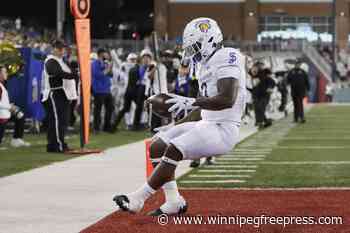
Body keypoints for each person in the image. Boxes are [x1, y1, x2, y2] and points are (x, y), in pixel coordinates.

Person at [113, 17, 246, 216]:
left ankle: (138, 199)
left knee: (175, 149)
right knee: (158, 144)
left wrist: (192, 101)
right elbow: (203, 108)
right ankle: (174, 201)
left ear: (209, 40)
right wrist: (175, 124)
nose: (192, 51)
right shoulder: (205, 65)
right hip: (207, 123)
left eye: (195, 45)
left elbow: (226, 99)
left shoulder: (228, 55)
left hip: (224, 128)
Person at [42, 39, 78, 153]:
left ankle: (53, 145)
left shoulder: (61, 61)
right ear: (54, 49)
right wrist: (73, 75)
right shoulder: (50, 61)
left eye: (62, 48)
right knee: (58, 121)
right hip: (54, 93)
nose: (62, 51)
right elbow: (57, 73)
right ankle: (58, 144)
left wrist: (74, 71)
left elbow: (71, 71)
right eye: (60, 48)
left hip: (63, 94)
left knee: (61, 121)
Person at [91, 48, 114, 133]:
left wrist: (110, 68)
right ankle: (96, 128)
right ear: (101, 54)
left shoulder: (105, 63)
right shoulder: (94, 63)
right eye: (106, 53)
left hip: (107, 89)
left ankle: (106, 127)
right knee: (98, 110)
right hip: (99, 90)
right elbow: (98, 75)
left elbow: (111, 75)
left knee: (110, 108)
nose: (107, 55)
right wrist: (108, 69)